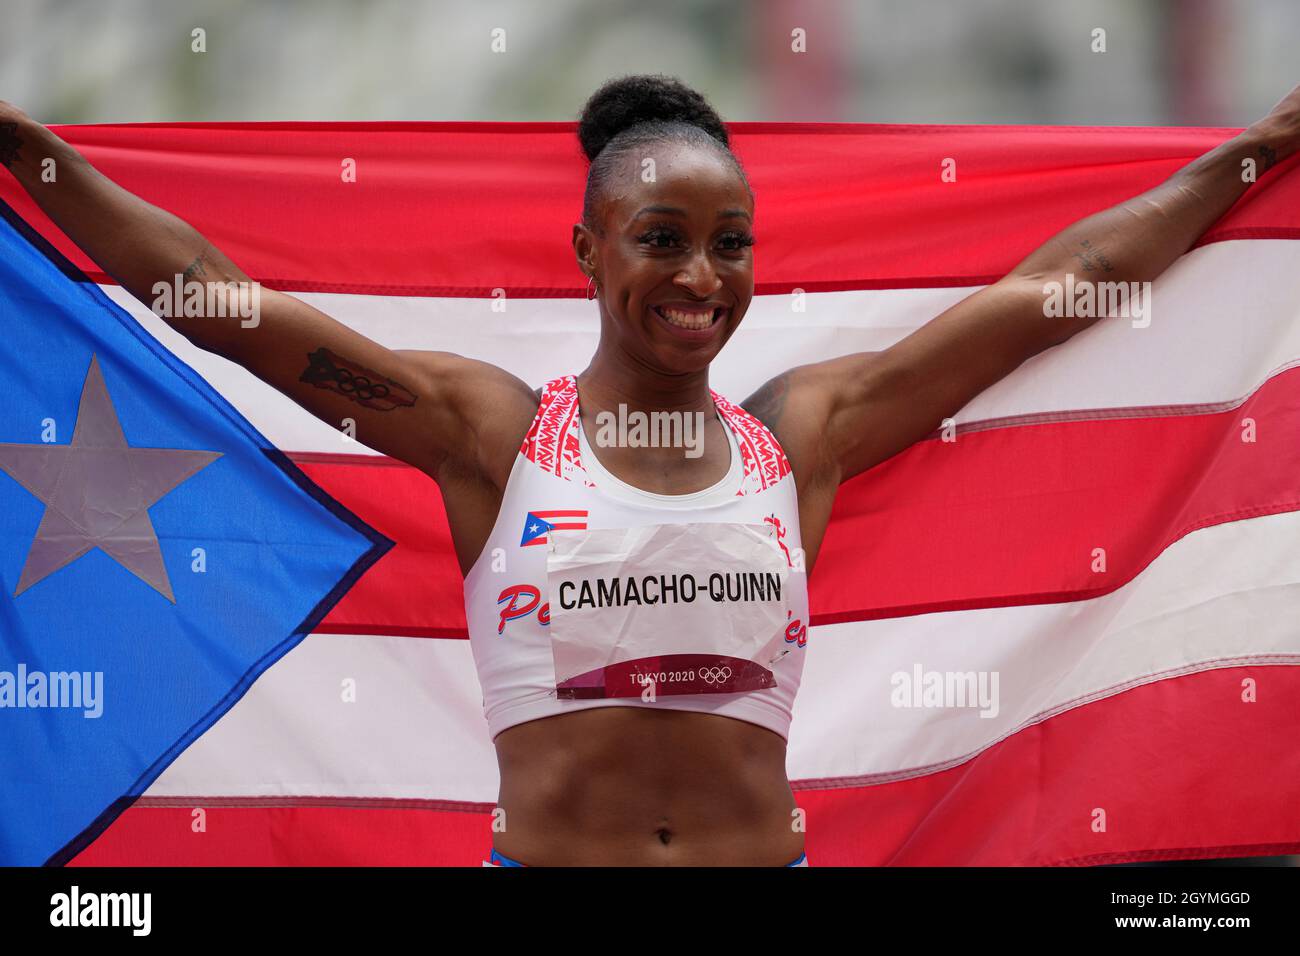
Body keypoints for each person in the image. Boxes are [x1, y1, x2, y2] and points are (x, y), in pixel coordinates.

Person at [1, 73, 1296, 867]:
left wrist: (1265, 145)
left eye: (731, 243)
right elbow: (227, 308)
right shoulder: (490, 435)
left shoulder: (806, 435)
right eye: (661, 238)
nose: (700, 275)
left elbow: (1060, 292)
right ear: (589, 248)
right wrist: (22, 150)